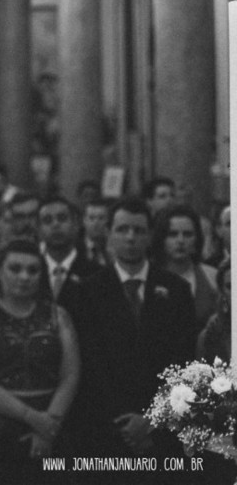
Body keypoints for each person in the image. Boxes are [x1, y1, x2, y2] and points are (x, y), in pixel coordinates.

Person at [69, 198, 195, 478]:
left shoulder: (177, 290)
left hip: (161, 429)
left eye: (138, 230)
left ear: (150, 236)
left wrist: (151, 419)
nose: (130, 237)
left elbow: (183, 359)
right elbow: (90, 361)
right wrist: (125, 422)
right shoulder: (88, 291)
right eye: (123, 229)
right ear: (109, 234)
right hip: (106, 427)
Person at [0, 240, 80, 485]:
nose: (24, 276)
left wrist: (50, 424)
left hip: (53, 420)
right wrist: (32, 418)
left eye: (33, 270)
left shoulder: (58, 315)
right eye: (15, 268)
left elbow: (71, 374)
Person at [151, 204, 219, 334]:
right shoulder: (148, 276)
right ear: (161, 239)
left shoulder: (212, 276)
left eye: (187, 234)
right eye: (173, 234)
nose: (180, 240)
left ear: (197, 239)